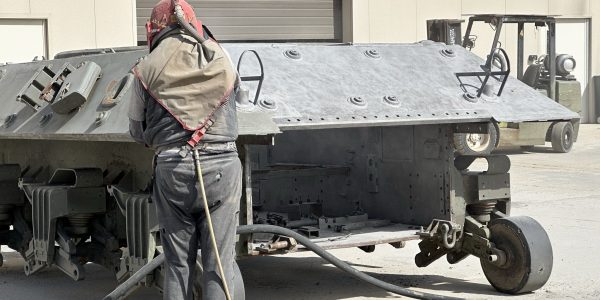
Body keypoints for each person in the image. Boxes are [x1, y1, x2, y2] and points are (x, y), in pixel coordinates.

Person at [127, 0, 242, 299]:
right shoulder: (220, 55)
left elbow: (136, 130)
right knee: (220, 262)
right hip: (223, 168)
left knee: (178, 264)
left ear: (152, 30)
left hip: (173, 170)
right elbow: (238, 98)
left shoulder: (145, 69)